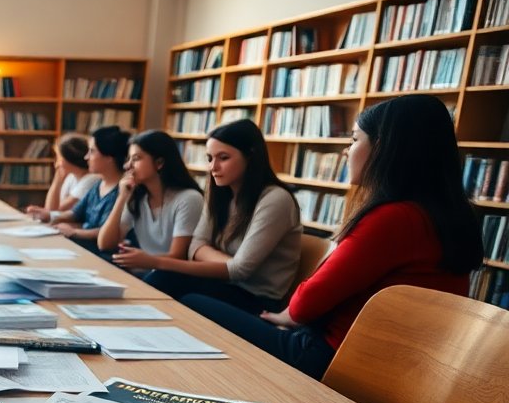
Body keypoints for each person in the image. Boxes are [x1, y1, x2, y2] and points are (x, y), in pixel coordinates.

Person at [183, 95, 483, 379]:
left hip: (329, 356)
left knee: (192, 301)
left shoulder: (394, 219)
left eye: (354, 140)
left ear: (384, 149)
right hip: (390, 366)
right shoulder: (447, 216)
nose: (345, 151)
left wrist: (288, 317)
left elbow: (305, 303)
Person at [140, 119, 302, 313]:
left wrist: (160, 261)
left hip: (256, 299)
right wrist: (231, 263)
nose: (213, 167)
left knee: (174, 286)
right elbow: (195, 246)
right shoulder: (221, 192)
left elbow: (240, 271)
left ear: (250, 157)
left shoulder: (276, 199)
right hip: (223, 284)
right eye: (210, 158)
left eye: (223, 158)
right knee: (163, 278)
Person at [99, 130, 204, 267]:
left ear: (159, 162)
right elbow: (105, 244)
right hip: (146, 269)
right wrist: (121, 197)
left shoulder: (188, 198)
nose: (127, 166)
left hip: (171, 274)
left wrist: (143, 260)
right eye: (128, 159)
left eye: (136, 159)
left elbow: (178, 255)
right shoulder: (137, 197)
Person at [48, 126, 129, 249]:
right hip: (83, 247)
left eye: (92, 151)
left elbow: (109, 232)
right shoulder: (98, 184)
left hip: (99, 254)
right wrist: (49, 216)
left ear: (108, 158)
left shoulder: (124, 190)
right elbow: (75, 213)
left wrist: (74, 232)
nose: (86, 157)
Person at [26, 133, 98, 220]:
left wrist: (57, 180)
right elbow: (51, 211)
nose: (56, 164)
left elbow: (52, 211)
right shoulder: (71, 176)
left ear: (71, 158)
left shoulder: (92, 180)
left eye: (59, 158)